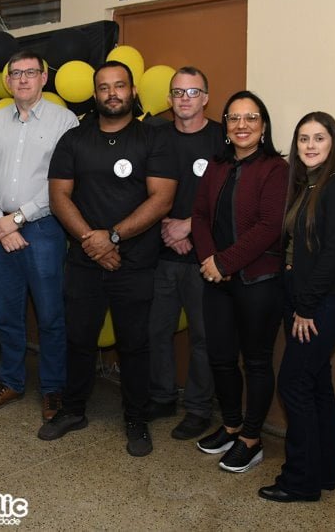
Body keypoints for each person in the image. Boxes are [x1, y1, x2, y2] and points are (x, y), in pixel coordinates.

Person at [39, 60, 176, 457]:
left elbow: (162, 199)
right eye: (104, 87)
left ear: (133, 91)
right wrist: (92, 242)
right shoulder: (74, 140)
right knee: (79, 339)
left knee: (135, 344)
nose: (112, 93)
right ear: (95, 94)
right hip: (84, 261)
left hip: (135, 262)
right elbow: (59, 196)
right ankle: (73, 410)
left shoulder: (153, 139)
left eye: (119, 86)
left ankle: (136, 418)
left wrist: (112, 237)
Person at [259, 112, 335, 503]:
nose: (310, 145)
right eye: (303, 138)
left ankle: (300, 481)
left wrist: (305, 307)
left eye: (319, 138)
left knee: (294, 384)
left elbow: (334, 255)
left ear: (334, 143)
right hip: (303, 300)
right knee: (317, 384)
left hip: (322, 305)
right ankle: (322, 473)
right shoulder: (306, 186)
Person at [0, 50, 78, 421]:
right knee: (6, 315)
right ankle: (11, 382)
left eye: (30, 72)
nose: (22, 79)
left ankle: (53, 389)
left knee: (50, 316)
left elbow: (64, 184)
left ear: (44, 78)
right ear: (7, 81)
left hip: (44, 229)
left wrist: (18, 218)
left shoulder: (65, 121)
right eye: (15, 73)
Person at [191, 90, 288, 473]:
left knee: (257, 361)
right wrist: (210, 261)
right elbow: (199, 216)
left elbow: (270, 226)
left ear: (263, 126)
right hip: (217, 279)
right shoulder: (217, 166)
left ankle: (251, 439)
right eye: (234, 118)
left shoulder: (276, 169)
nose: (242, 125)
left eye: (251, 118)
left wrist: (225, 262)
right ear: (226, 126)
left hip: (258, 281)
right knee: (220, 357)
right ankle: (231, 426)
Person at [144, 67, 224, 440]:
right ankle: (161, 397)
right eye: (178, 92)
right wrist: (167, 228)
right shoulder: (155, 137)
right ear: (169, 98)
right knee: (156, 330)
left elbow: (231, 196)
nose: (185, 99)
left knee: (203, 337)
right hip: (161, 254)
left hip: (204, 258)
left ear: (206, 97)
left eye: (193, 92)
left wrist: (189, 226)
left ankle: (198, 409)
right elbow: (141, 189)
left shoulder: (222, 139)